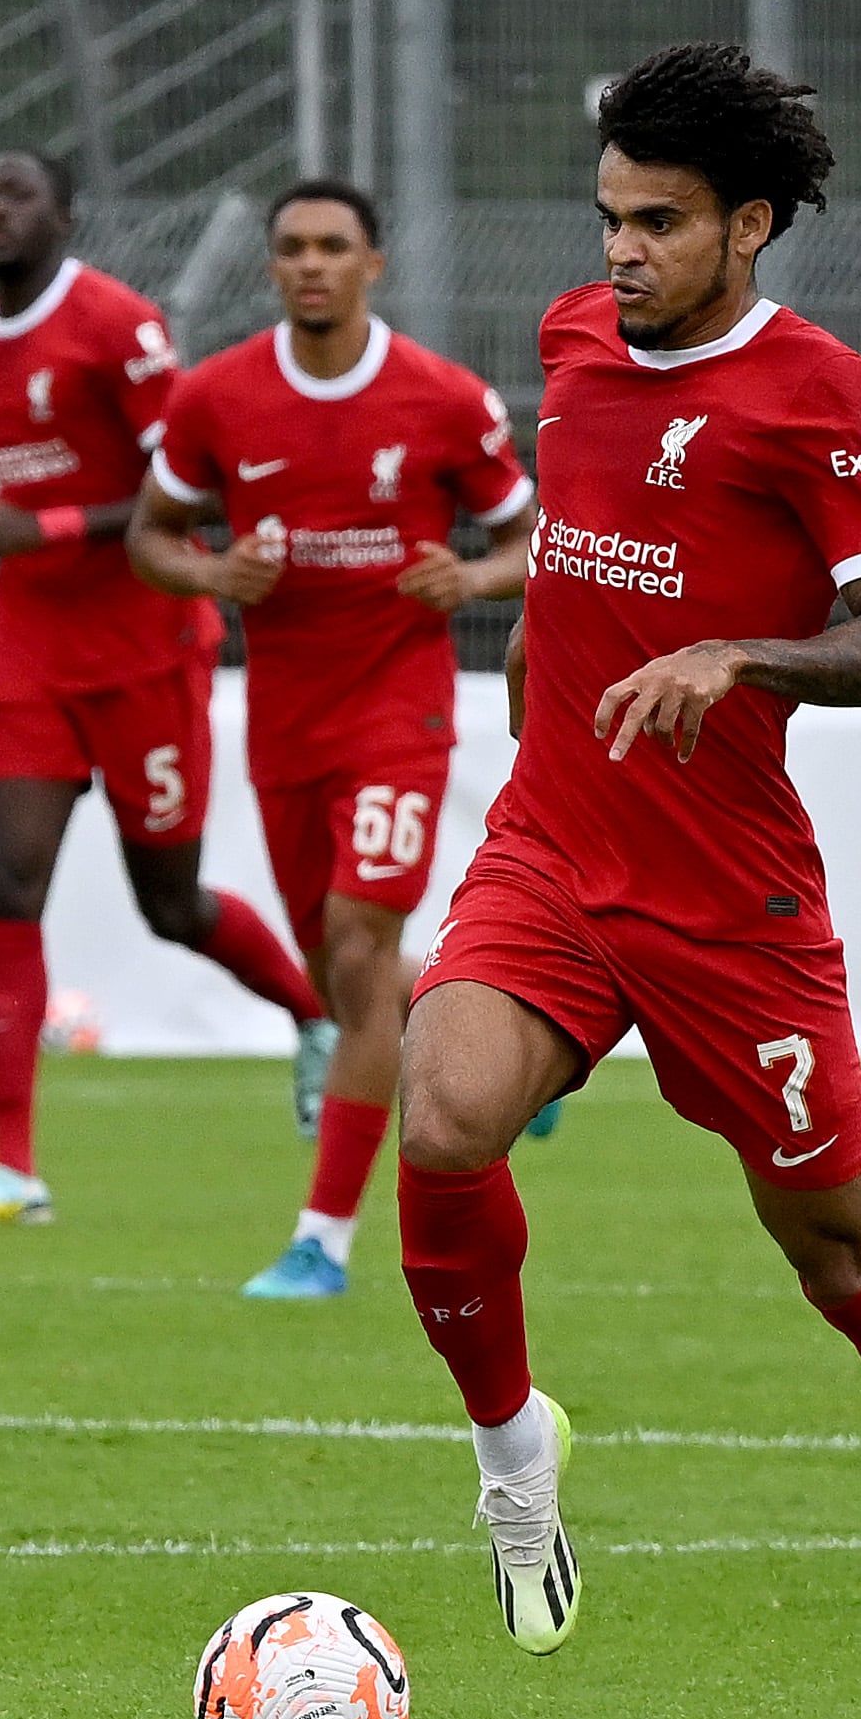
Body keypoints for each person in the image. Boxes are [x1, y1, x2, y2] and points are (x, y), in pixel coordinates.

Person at [394, 44, 861, 1719]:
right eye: (610, 217)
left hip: (728, 903)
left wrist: (740, 653)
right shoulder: (570, 343)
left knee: (836, 1251)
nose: (620, 252)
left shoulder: (822, 396)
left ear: (751, 224)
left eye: (660, 223)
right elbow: (582, 541)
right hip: (554, 848)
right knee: (444, 1109)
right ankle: (511, 1451)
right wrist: (532, 713)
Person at [0, 149, 331, 1228]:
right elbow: (24, 498)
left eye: (16, 195)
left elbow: (188, 489)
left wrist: (52, 529)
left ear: (65, 216)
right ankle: (12, 1168)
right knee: (8, 878)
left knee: (170, 905)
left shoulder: (118, 324)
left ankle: (320, 1019)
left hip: (143, 645)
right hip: (30, 647)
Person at [127, 179, 543, 1301]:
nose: (311, 264)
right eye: (293, 247)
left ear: (374, 264)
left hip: (395, 714)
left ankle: (322, 1236)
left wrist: (470, 573)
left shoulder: (440, 397)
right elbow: (149, 534)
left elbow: (530, 532)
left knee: (357, 954)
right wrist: (213, 571)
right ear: (272, 267)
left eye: (332, 246)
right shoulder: (216, 398)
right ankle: (511, 1037)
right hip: (283, 723)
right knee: (335, 963)